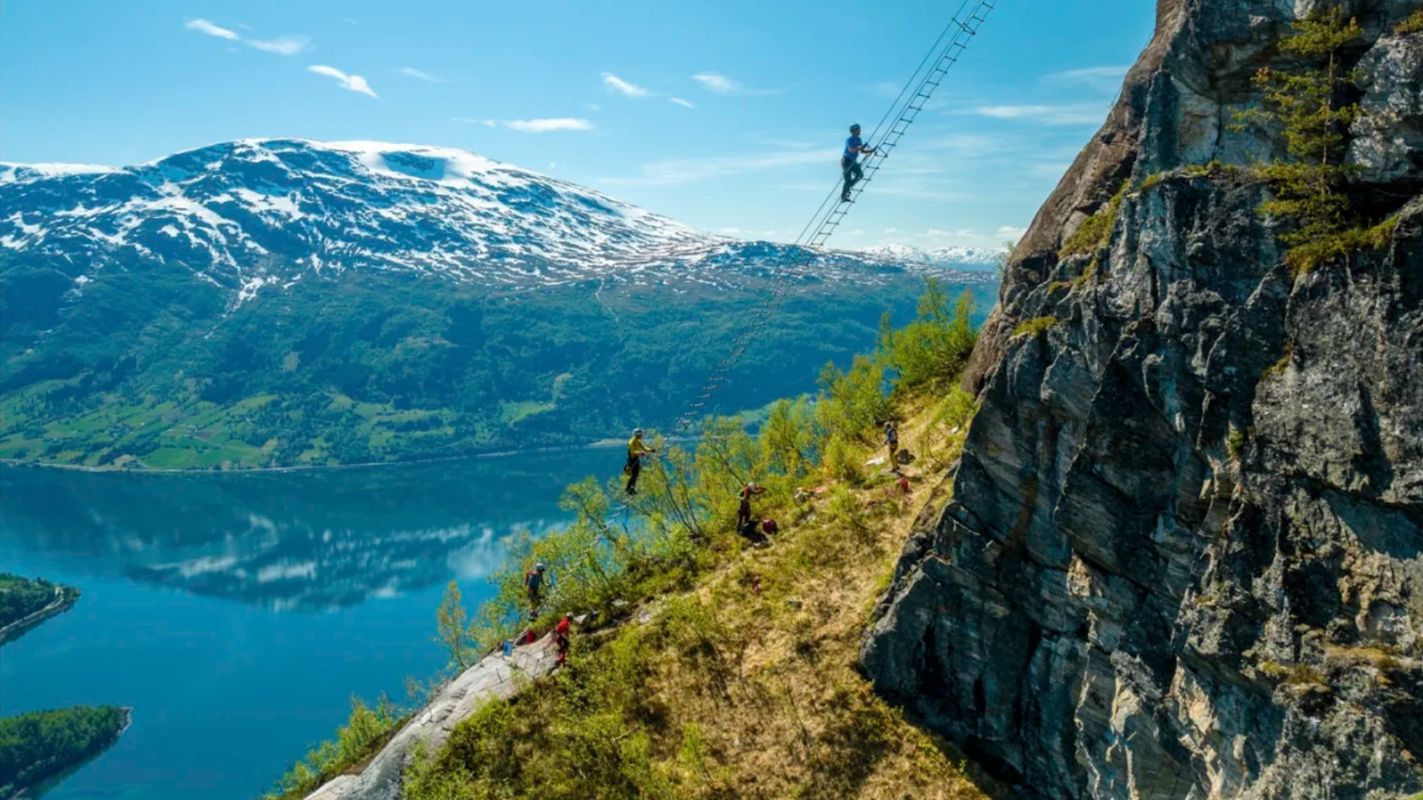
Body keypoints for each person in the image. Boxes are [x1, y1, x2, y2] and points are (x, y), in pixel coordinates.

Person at [841, 123, 877, 202]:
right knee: (848, 179)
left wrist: (870, 151)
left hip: (853, 161)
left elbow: (861, 150)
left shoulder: (859, 139)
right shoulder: (849, 139)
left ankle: (849, 187)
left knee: (860, 175)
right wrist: (859, 147)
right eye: (858, 129)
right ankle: (843, 196)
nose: (859, 131)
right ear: (854, 131)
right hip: (846, 161)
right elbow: (851, 150)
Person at [624, 428, 656, 495]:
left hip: (636, 459)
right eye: (638, 433)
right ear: (634, 434)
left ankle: (632, 488)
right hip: (631, 459)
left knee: (636, 474)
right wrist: (640, 453)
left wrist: (650, 450)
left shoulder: (638, 441)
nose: (640, 435)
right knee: (633, 474)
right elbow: (632, 451)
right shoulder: (631, 441)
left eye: (640, 433)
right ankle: (628, 489)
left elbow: (644, 447)